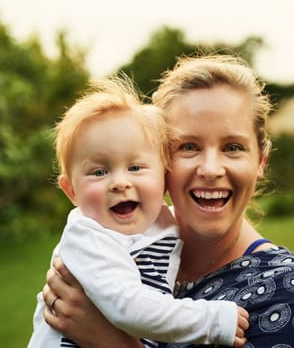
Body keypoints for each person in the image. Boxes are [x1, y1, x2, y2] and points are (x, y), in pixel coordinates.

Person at [42, 55, 294, 347]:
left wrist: (109, 341)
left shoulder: (287, 291)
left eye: (233, 147)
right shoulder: (123, 240)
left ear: (261, 160)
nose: (210, 169)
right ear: (161, 160)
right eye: (188, 147)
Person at [28, 76, 249, 348]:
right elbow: (130, 307)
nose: (121, 182)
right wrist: (211, 321)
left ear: (163, 176)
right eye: (99, 172)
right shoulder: (89, 237)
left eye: (135, 168)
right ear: (71, 191)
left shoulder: (159, 221)